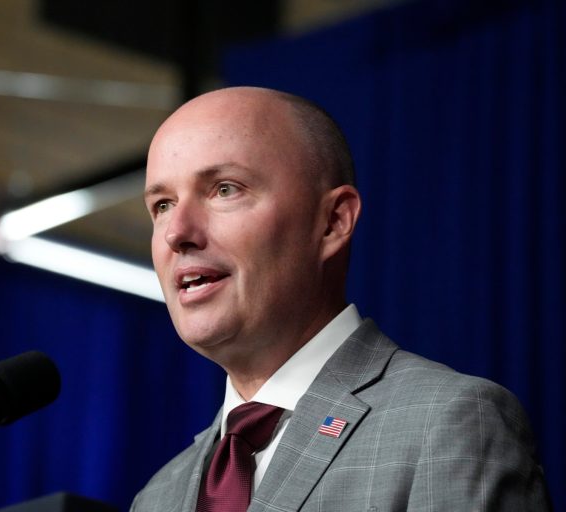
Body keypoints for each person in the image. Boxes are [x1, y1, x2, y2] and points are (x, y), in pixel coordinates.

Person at [132, 86, 550, 511]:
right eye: (162, 204)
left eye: (225, 189)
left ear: (332, 222)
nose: (176, 232)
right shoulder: (158, 495)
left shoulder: (449, 424)